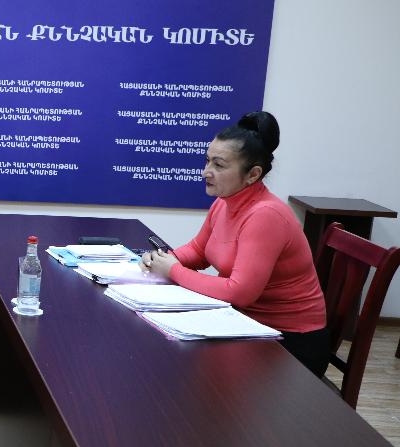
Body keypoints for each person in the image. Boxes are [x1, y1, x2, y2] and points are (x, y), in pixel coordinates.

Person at [141, 111, 329, 375]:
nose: (206, 172)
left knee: (189, 373)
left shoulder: (265, 215)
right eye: (207, 161)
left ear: (252, 174)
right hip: (245, 322)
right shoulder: (224, 202)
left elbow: (240, 292)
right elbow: (198, 250)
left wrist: (173, 270)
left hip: (288, 343)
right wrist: (163, 259)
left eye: (219, 165)